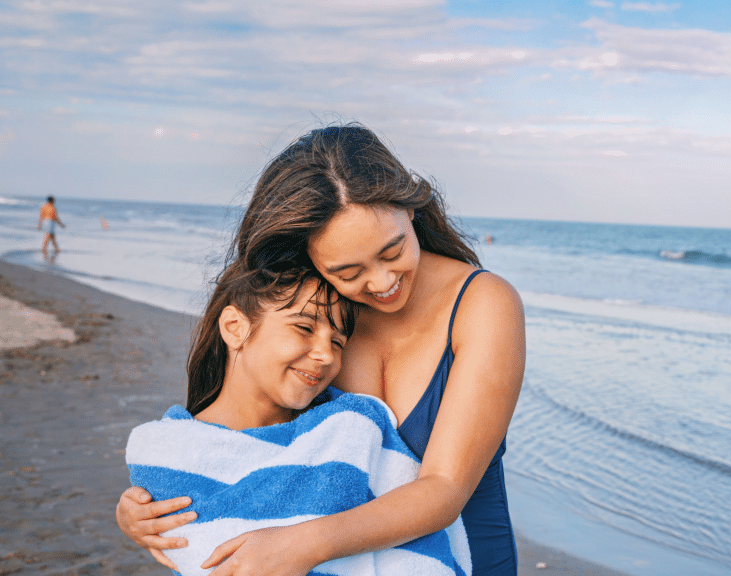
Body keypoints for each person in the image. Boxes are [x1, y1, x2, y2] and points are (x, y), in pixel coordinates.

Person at [117, 123, 526, 575]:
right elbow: (243, 443)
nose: (382, 282)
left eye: (392, 252)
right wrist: (147, 505)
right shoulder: (316, 316)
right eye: (348, 271)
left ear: (411, 209)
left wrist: (302, 545)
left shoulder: (483, 303)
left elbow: (445, 488)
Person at [124, 260, 471, 576]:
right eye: (304, 328)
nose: (325, 355)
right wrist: (132, 514)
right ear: (234, 327)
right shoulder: (172, 449)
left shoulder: (347, 427)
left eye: (337, 342)